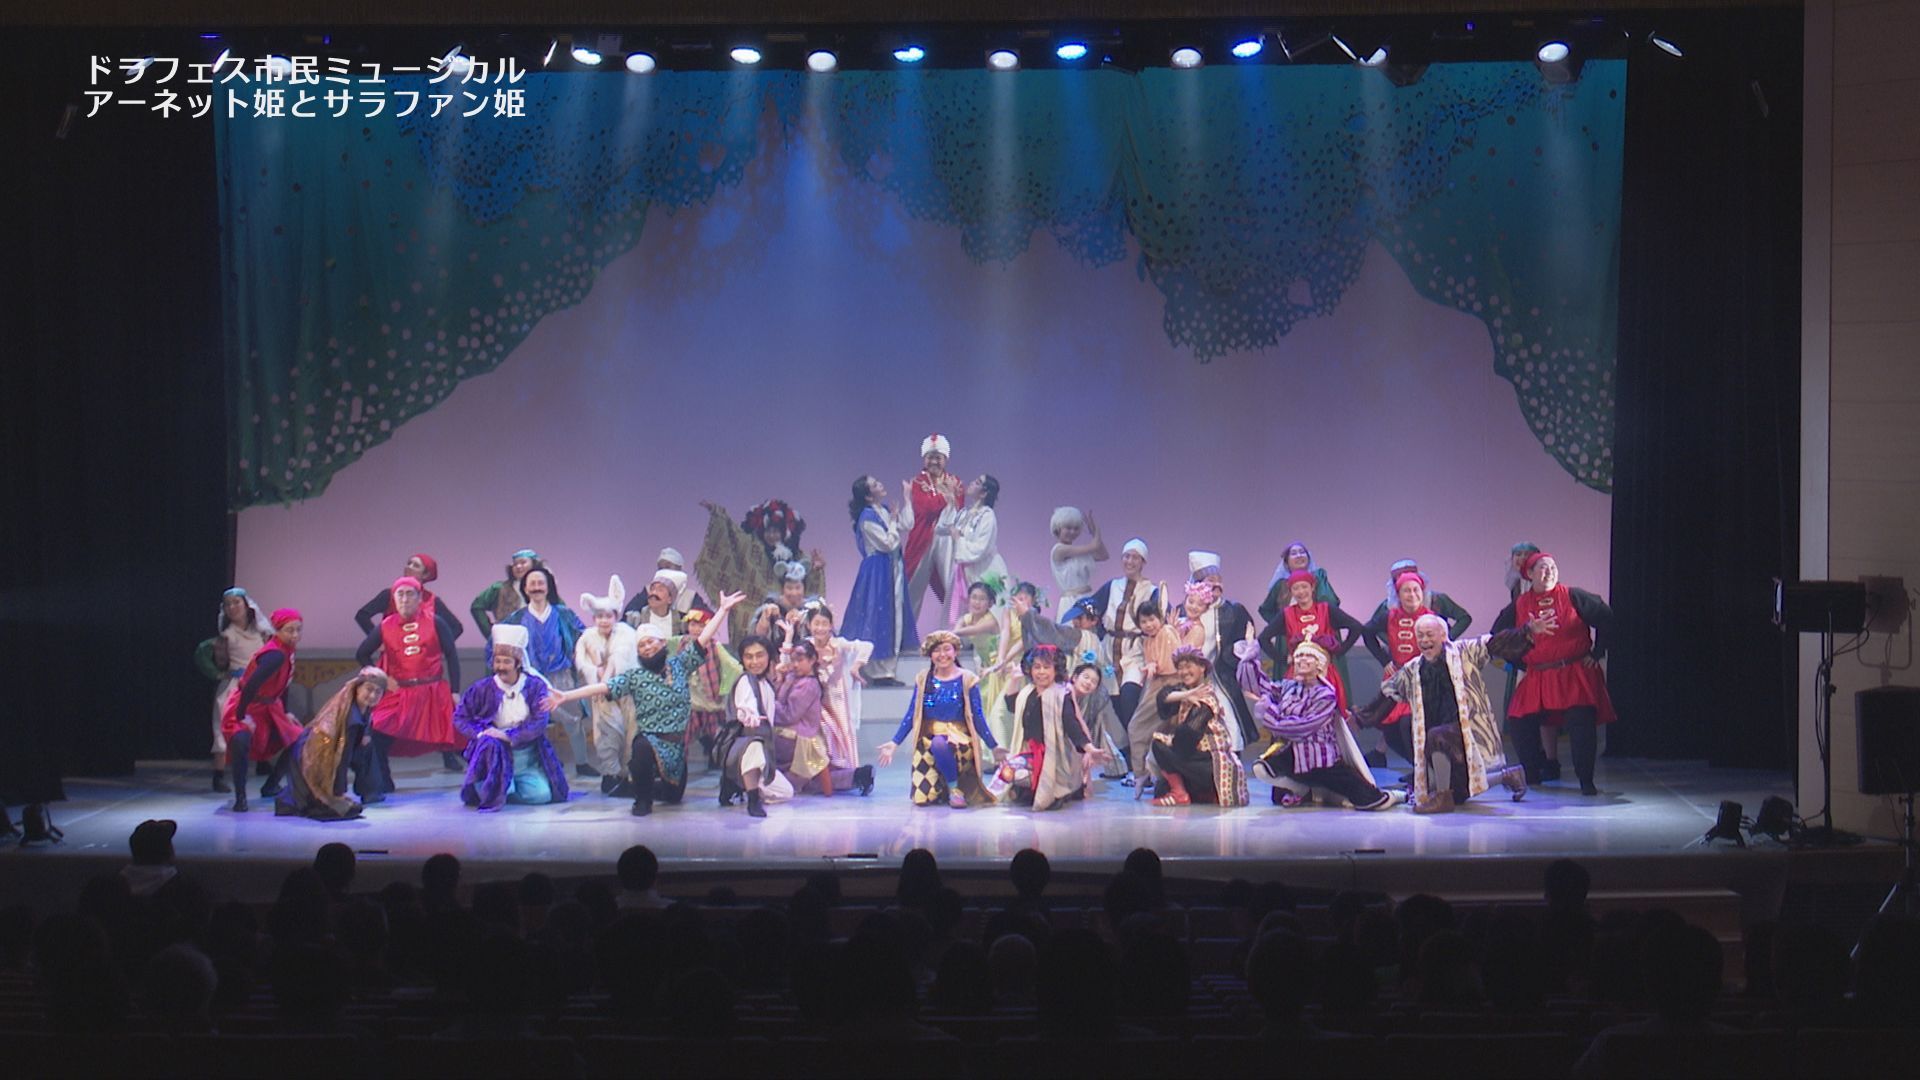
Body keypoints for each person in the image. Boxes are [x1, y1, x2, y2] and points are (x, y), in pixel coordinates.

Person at [550, 591, 747, 816]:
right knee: (641, 748)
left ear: (662, 643)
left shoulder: (679, 665)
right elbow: (603, 687)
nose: (647, 647)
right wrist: (566, 696)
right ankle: (642, 801)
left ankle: (636, 787)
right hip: (648, 741)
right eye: (642, 645)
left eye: (651, 642)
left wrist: (722, 610)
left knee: (673, 797)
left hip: (675, 747)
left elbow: (703, 640)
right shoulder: (635, 677)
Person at [1362, 615, 1533, 813]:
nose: (1424, 640)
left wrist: (1527, 631)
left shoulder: (1464, 652)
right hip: (1438, 737)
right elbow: (1388, 694)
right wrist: (1360, 718)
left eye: (1429, 634)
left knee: (1437, 736)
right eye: (1420, 635)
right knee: (1458, 792)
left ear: (1443, 635)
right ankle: (1507, 776)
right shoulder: (1414, 668)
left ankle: (1443, 798)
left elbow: (1495, 643)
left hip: (1467, 730)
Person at [1492, 551, 1616, 795]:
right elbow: (1497, 637)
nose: (1549, 572)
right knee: (1518, 720)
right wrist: (1520, 660)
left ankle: (1586, 780)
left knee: (1581, 722)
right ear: (1529, 574)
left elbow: (1606, 617)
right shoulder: (1520, 604)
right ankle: (1532, 774)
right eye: (1542, 567)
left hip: (1573, 673)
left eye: (1552, 567)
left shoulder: (1572, 595)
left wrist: (1597, 652)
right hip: (1538, 675)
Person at [1240, 641, 1400, 810]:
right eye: (1299, 656)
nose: (1301, 659)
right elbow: (1258, 686)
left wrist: (1269, 713)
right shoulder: (1288, 687)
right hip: (1295, 758)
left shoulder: (1326, 695)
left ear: (1319, 664)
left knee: (1372, 801)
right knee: (1262, 768)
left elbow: (1302, 728)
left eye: (1308, 656)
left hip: (1323, 764)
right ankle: (1305, 791)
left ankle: (1397, 795)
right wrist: (1250, 657)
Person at [878, 630, 1005, 808]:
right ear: (930, 655)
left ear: (955, 652)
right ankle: (941, 786)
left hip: (960, 742)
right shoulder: (924, 679)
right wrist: (894, 742)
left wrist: (993, 746)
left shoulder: (967, 679)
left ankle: (954, 790)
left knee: (939, 743)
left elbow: (977, 716)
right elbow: (912, 713)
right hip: (928, 741)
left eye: (947, 649)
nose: (942, 654)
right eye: (937, 650)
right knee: (922, 799)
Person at [453, 625, 569, 812]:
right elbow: (460, 717)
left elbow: (539, 722)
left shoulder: (534, 686)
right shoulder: (481, 688)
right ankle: (497, 785)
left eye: (506, 662)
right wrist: (483, 733)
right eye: (497, 661)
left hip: (524, 755)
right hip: (493, 754)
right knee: (496, 787)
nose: (501, 667)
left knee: (541, 795)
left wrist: (509, 736)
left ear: (517, 663)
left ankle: (507, 788)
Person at [356, 576, 464, 774]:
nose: (404, 599)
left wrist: (455, 691)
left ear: (419, 597)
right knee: (378, 730)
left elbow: (451, 654)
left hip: (432, 694)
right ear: (394, 598)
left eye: (410, 594)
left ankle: (484, 780)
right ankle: (382, 783)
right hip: (400, 694)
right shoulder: (385, 626)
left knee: (460, 738)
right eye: (400, 594)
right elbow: (362, 654)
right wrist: (382, 679)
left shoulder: (435, 622)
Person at [495, 567, 589, 777]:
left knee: (573, 720)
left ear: (548, 587)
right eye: (532, 584)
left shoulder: (564, 614)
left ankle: (582, 762)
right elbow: (498, 646)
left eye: (541, 583)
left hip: (561, 675)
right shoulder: (516, 618)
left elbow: (584, 638)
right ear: (525, 588)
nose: (536, 588)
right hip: (529, 679)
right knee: (532, 722)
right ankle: (544, 763)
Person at [695, 499, 825, 644]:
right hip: (749, 606)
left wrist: (816, 569)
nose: (772, 535)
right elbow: (733, 535)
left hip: (784, 612)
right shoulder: (751, 547)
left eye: (776, 531)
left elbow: (809, 587)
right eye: (768, 531)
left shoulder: (796, 554)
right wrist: (718, 513)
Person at [993, 645, 1106, 810]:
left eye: (1046, 667)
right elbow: (1012, 705)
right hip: (1030, 753)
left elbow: (1072, 724)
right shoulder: (1027, 692)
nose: (1041, 672)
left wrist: (1089, 749)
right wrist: (1014, 680)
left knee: (1039, 787)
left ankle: (1054, 791)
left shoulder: (1061, 695)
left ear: (1055, 670)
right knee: (1008, 771)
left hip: (1055, 756)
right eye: (1037, 667)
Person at [1084, 538, 1162, 773]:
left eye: (1135, 557)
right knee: (1114, 703)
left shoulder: (1152, 590)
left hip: (1135, 651)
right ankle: (1127, 755)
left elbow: (1159, 621)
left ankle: (1142, 754)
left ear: (1143, 562)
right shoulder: (1112, 586)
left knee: (1129, 697)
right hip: (1110, 650)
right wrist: (1098, 632)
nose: (1130, 561)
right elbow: (1091, 607)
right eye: (1126, 556)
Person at [275, 667, 391, 820]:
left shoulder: (362, 708)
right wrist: (338, 793)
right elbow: (341, 758)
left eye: (378, 692)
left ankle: (371, 791)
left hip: (332, 753)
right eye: (369, 689)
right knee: (337, 808)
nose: (373, 695)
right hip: (311, 757)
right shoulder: (351, 719)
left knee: (367, 747)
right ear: (357, 688)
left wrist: (365, 735)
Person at [221, 607, 307, 812]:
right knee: (241, 741)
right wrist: (241, 715)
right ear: (278, 630)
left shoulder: (287, 651)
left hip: (270, 706)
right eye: (290, 630)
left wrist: (286, 712)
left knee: (298, 738)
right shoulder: (275, 654)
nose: (295, 635)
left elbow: (283, 685)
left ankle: (271, 785)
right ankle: (240, 797)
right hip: (248, 704)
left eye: (298, 630)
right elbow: (250, 685)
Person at [1360, 568, 1445, 767]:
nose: (1412, 595)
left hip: (1423, 682)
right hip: (1397, 679)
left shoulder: (1432, 618)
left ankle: (1426, 771)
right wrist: (1384, 660)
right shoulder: (1389, 616)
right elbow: (1367, 632)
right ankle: (1418, 769)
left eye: (1416, 590)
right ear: (1398, 594)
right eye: (1407, 590)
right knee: (1390, 729)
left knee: (1411, 724)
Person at [1145, 646, 1248, 807]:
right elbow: (1163, 696)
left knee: (1159, 746)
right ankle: (1192, 793)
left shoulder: (1206, 699)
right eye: (1180, 668)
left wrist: (1169, 743)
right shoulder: (1186, 692)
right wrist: (1186, 695)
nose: (1184, 672)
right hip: (1197, 758)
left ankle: (1181, 793)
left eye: (1188, 666)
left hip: (1211, 764)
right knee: (1161, 787)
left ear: (1202, 668)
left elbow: (1186, 740)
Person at [841, 475, 916, 684]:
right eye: (875, 484)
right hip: (877, 571)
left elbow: (907, 524)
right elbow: (888, 543)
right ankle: (876, 670)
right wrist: (892, 522)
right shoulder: (867, 518)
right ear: (867, 496)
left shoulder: (882, 509)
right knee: (876, 617)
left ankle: (887, 669)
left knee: (891, 616)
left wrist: (907, 498)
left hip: (890, 568)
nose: (880, 484)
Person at [1258, 569, 1367, 713]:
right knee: (1297, 715)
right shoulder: (1287, 614)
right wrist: (1283, 659)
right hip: (1297, 676)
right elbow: (1263, 638)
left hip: (1325, 675)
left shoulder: (1326, 610)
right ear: (1291, 591)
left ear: (1312, 587)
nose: (1301, 592)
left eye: (1304, 587)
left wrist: (1340, 651)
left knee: (1328, 715)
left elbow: (1356, 627)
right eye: (1296, 588)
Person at [195, 587, 270, 792]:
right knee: (223, 726)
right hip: (234, 688)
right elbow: (202, 653)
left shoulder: (260, 633)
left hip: (256, 686)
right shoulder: (227, 636)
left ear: (247, 605)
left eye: (236, 602)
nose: (232, 607)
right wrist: (218, 674)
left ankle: (262, 762)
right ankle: (218, 775)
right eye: (228, 604)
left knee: (261, 724)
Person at [773, 640, 872, 797]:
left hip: (799, 739)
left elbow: (789, 715)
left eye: (800, 660)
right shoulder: (794, 678)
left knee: (767, 742)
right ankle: (857, 776)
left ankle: (857, 776)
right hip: (796, 735)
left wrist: (770, 704)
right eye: (793, 660)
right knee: (809, 784)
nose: (795, 665)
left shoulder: (807, 684)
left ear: (812, 660)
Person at [1182, 552, 1258, 744]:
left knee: (1229, 719)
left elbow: (1246, 641)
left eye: (1218, 581)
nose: (1215, 586)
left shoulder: (1233, 610)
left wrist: (1241, 650)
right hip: (1190, 677)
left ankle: (1232, 756)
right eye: (1210, 581)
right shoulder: (1186, 611)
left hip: (1220, 675)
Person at [714, 635, 790, 818]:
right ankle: (753, 799)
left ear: (768, 657)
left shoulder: (766, 682)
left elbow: (783, 665)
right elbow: (745, 706)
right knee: (754, 744)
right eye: (749, 657)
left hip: (763, 749)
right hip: (740, 746)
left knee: (785, 792)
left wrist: (788, 636)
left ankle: (737, 783)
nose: (754, 662)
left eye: (759, 655)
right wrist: (749, 716)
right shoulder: (745, 680)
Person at [1259, 541, 1351, 690]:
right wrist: (1283, 626)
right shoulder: (1280, 586)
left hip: (1322, 640)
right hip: (1291, 642)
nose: (1299, 556)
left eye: (1302, 552)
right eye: (1294, 553)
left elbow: (1331, 602)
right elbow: (1266, 609)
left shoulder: (1319, 578)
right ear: (1286, 562)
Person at [575, 576, 639, 789]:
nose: (604, 620)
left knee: (630, 730)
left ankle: (628, 772)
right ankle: (610, 773)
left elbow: (627, 660)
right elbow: (583, 664)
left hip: (626, 694)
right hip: (602, 696)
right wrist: (596, 671)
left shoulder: (626, 635)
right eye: (599, 616)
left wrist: (610, 671)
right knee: (606, 730)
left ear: (615, 616)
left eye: (608, 616)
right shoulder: (587, 638)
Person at [900, 433, 962, 631]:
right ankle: (905, 636)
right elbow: (926, 508)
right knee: (912, 589)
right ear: (924, 458)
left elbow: (958, 508)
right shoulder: (918, 483)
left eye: (938, 457)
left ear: (946, 459)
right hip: (922, 541)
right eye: (930, 457)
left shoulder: (955, 481)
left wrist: (945, 496)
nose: (934, 461)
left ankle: (958, 633)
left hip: (948, 541)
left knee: (953, 586)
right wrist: (946, 496)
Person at [1124, 601, 1187, 790]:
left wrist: (1154, 666)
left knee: (1138, 728)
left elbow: (1170, 662)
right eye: (1143, 621)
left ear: (1160, 618)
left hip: (1169, 684)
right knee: (1148, 730)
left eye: (1151, 619)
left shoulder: (1166, 632)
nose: (1148, 625)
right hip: (1156, 684)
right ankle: (1146, 774)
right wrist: (1151, 666)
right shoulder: (1147, 640)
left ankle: (1144, 774)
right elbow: (1152, 663)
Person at [803, 604, 871, 777]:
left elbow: (866, 646)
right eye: (816, 623)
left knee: (843, 730)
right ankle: (822, 772)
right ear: (809, 625)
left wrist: (856, 666)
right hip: (814, 697)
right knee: (821, 729)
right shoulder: (807, 645)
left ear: (831, 625)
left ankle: (847, 772)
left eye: (824, 623)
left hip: (837, 695)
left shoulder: (838, 644)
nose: (820, 628)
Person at [355, 553, 463, 648]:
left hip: (421, 658)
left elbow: (456, 628)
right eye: (409, 563)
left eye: (415, 565)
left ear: (426, 574)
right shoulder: (390, 595)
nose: (409, 567)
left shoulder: (432, 600)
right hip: (393, 657)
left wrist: (436, 647)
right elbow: (362, 615)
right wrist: (377, 642)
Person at [946, 473, 1011, 623]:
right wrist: (950, 503)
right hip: (966, 572)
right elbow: (946, 528)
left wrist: (959, 540)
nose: (971, 483)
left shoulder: (987, 516)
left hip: (984, 570)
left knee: (988, 614)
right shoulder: (964, 513)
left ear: (984, 493)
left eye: (977, 482)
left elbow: (981, 548)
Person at [1048, 506, 1109, 619]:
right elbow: (1094, 546)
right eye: (1068, 528)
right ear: (1058, 528)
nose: (1072, 532)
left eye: (1076, 528)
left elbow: (1103, 555)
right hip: (1071, 601)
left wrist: (1093, 533)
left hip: (1087, 598)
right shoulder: (1059, 550)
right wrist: (1096, 531)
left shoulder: (1078, 552)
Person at [470, 548, 542, 639]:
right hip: (508, 641)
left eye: (523, 562)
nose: (518, 566)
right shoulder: (499, 588)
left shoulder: (545, 589)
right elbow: (476, 606)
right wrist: (490, 634)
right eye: (515, 564)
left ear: (534, 564)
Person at [624, 569, 690, 640]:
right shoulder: (637, 619)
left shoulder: (680, 622)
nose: (654, 593)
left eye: (660, 590)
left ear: (670, 599)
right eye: (652, 589)